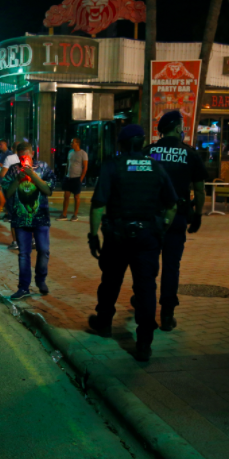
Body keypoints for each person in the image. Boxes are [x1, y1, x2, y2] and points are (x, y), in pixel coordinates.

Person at [87, 125, 178, 362]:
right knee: (146, 288)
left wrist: (93, 235)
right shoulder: (156, 167)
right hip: (147, 237)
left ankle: (104, 322)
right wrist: (161, 229)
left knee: (110, 282)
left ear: (122, 144)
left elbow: (98, 204)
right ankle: (144, 342)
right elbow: (172, 205)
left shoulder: (112, 167)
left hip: (117, 237)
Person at [146, 111, 207, 331]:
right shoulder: (189, 154)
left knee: (148, 266)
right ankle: (166, 314)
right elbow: (199, 190)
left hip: (151, 218)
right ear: (177, 128)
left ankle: (145, 309)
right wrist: (198, 215)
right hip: (178, 218)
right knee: (171, 266)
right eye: (182, 126)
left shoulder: (148, 152)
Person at [1, 142, 56, 300]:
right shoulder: (13, 170)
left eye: (26, 155)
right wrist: (17, 180)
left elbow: (48, 190)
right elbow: (7, 193)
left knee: (44, 250)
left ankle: (41, 280)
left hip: (40, 218)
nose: (24, 159)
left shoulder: (43, 167)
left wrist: (33, 175)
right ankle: (23, 287)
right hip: (20, 219)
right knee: (24, 254)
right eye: (20, 157)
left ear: (32, 154)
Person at [57, 137, 88, 221]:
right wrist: (66, 174)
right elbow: (68, 164)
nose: (71, 144)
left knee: (76, 196)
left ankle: (75, 215)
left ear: (77, 143)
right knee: (66, 196)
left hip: (77, 178)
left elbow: (85, 167)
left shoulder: (83, 153)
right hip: (68, 177)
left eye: (72, 142)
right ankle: (64, 214)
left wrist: (81, 179)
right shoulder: (70, 152)